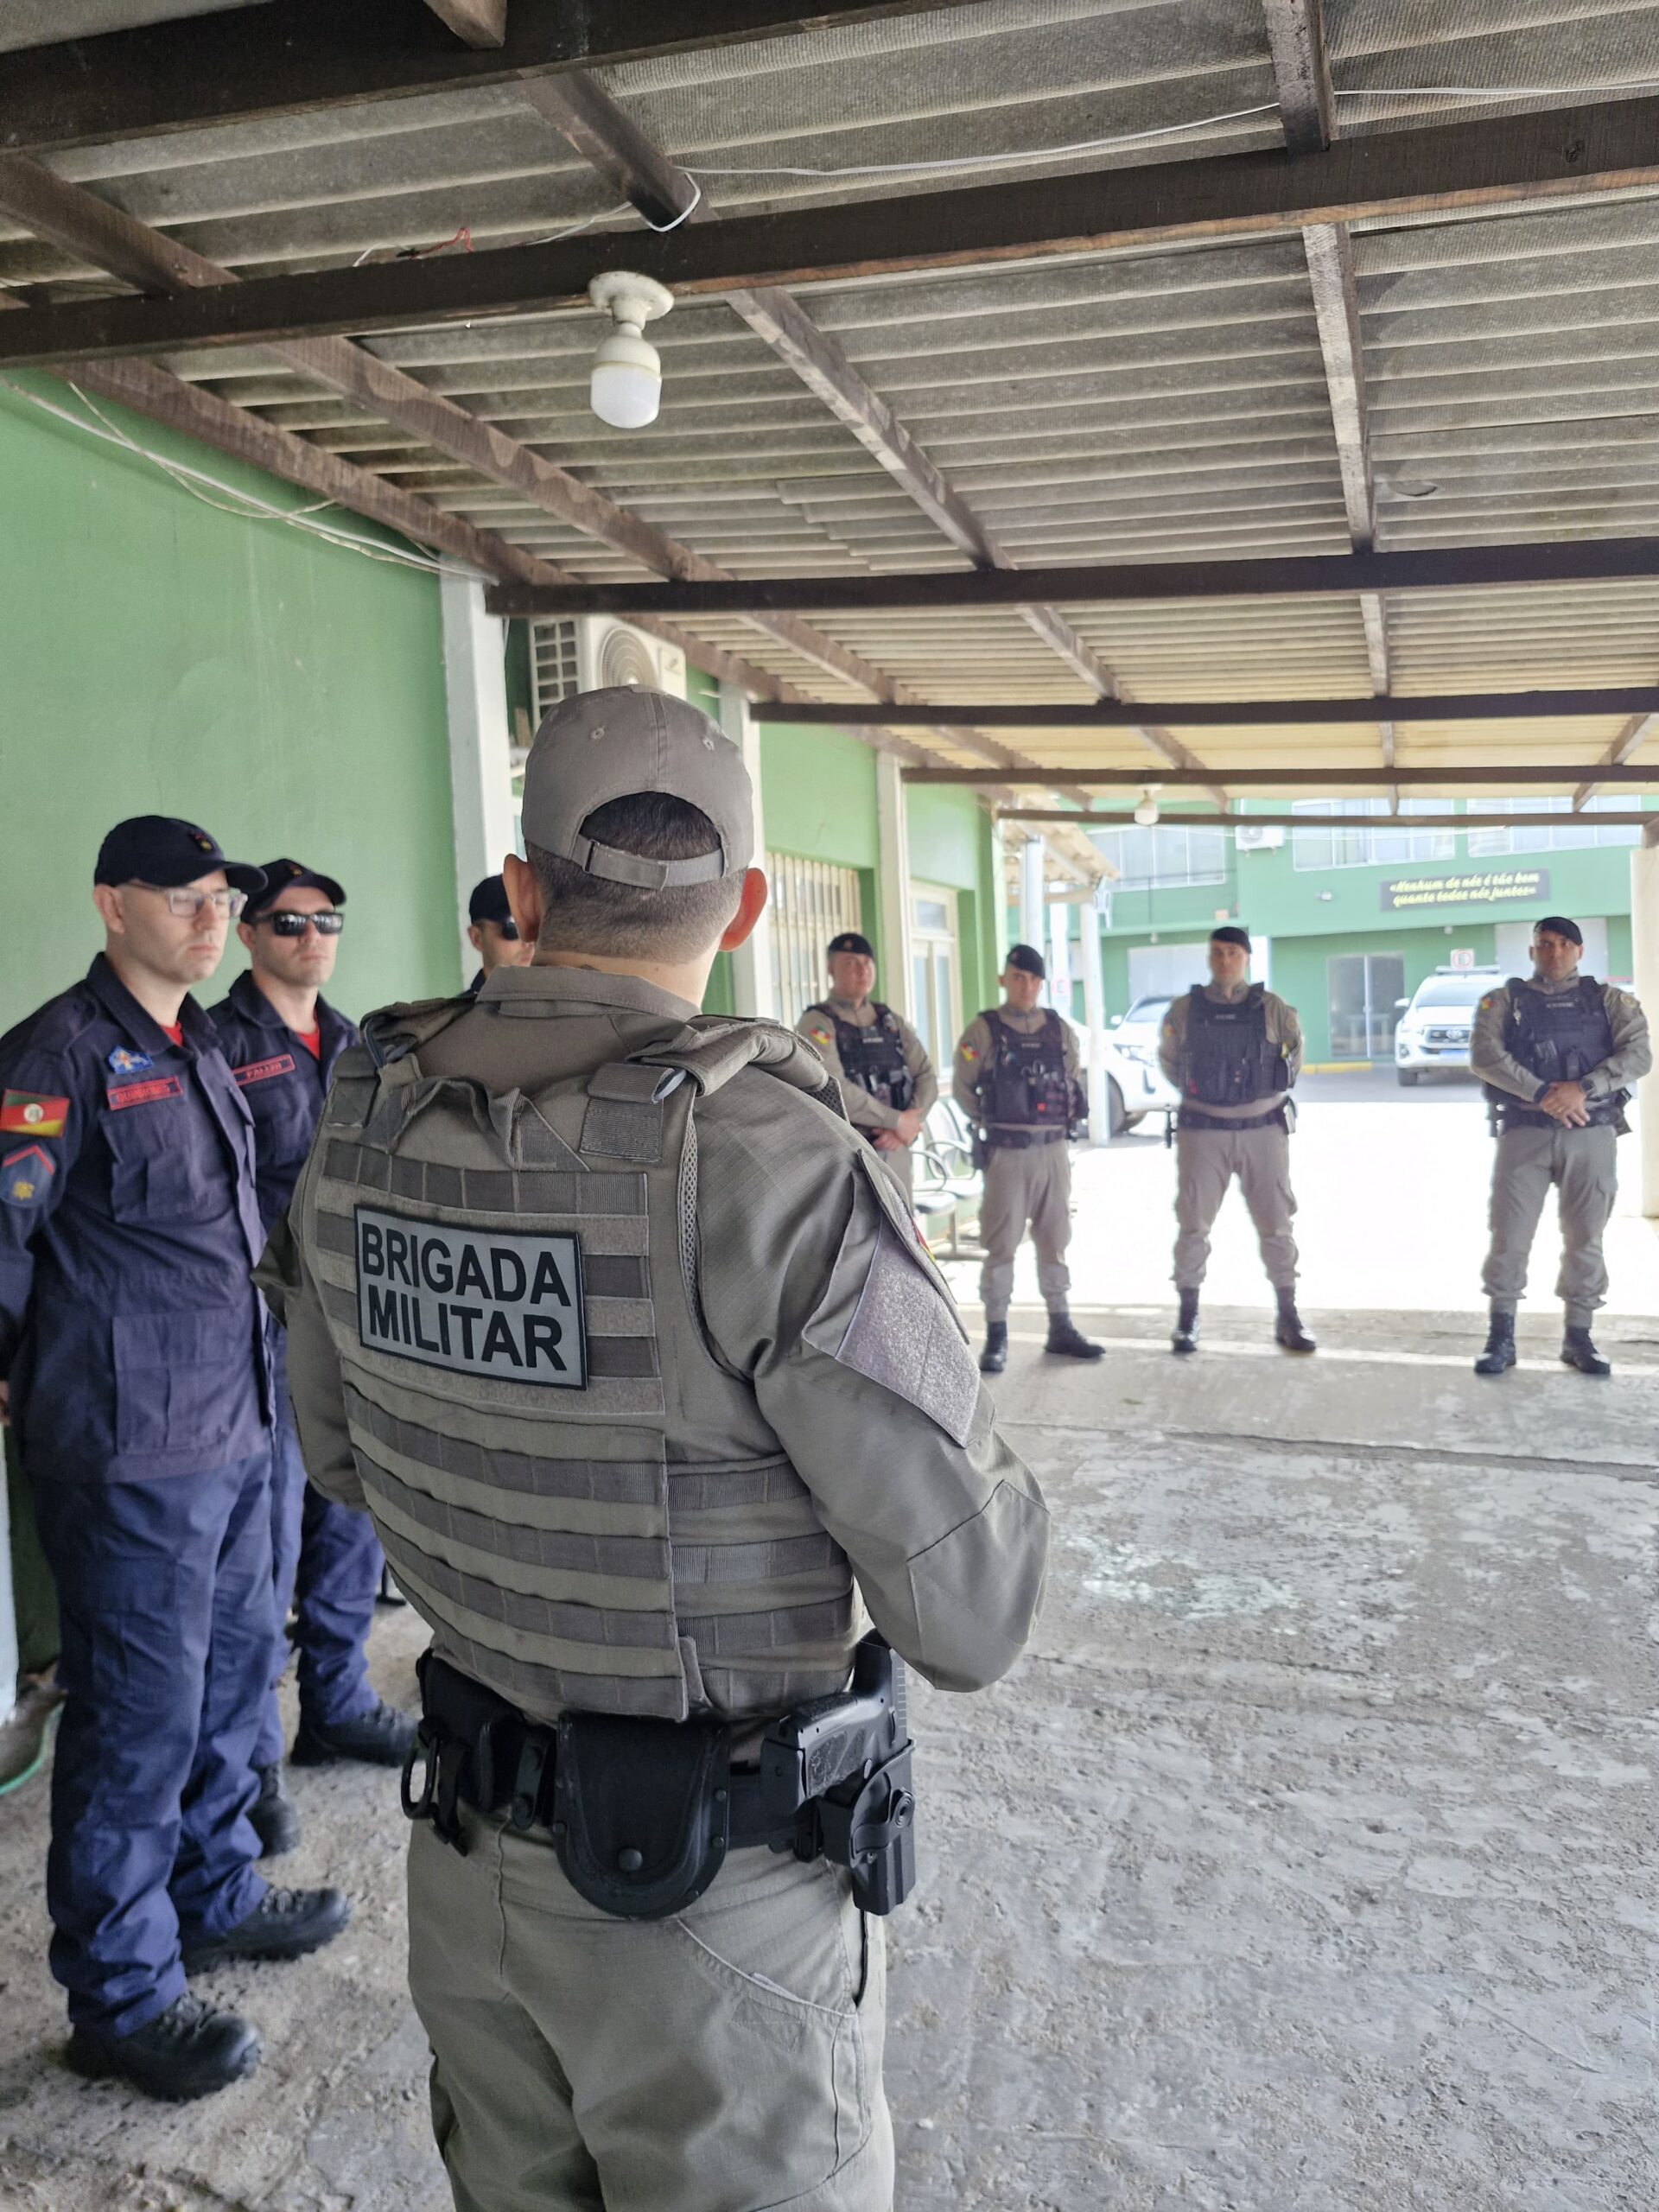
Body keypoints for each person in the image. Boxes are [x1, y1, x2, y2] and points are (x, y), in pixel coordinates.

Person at [257, 688, 1049, 2212]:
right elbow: (975, 1612)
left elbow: (341, 1459)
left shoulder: (365, 1119)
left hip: (472, 1880)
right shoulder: (766, 1159)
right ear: (746, 906)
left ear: (528, 891)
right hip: (714, 1922)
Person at [0, 818, 349, 2104]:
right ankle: (122, 1994)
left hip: (238, 1421)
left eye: (221, 899)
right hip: (131, 1445)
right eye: (184, 898)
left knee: (237, 1677)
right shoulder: (57, 1057)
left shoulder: (201, 1041)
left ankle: (210, 1892)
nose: (213, 919)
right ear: (110, 904)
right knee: (137, 1721)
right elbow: (4, 1241)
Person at [210, 860, 414, 1863]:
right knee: (261, 1562)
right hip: (257, 1332)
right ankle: (246, 1782)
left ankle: (334, 1703)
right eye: (289, 921)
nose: (311, 936)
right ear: (249, 934)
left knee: (351, 1519)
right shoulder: (214, 1043)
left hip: (352, 1323)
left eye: (327, 918)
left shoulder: (356, 1043)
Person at [1470, 916, 1650, 1377]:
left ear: (1579, 951)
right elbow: (1486, 1057)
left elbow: (1638, 1055)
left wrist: (1583, 1088)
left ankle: (1579, 1335)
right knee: (1509, 1236)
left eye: (1564, 945)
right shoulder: (1502, 1002)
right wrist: (1543, 1094)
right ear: (1531, 952)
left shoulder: (1610, 1001)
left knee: (1585, 1237)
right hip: (1525, 1132)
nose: (1554, 952)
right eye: (1544, 944)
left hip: (1591, 1131)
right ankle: (1502, 1337)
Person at [1158, 925, 1315, 1356]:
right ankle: (1187, 1319)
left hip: (1262, 1131)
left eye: (1232, 952)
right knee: (1193, 1225)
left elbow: (1293, 1059)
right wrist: (1211, 1096)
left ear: (1245, 957)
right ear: (1209, 959)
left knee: (1277, 1224)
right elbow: (1171, 1064)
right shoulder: (1184, 1010)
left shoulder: (1274, 1009)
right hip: (1203, 1132)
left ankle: (1289, 1314)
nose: (1223, 960)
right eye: (1216, 953)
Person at [953, 944, 1103, 1375]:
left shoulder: (1058, 1029)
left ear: (1041, 984)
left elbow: (1071, 1074)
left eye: (1034, 980)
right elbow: (965, 1086)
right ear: (1004, 979)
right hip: (1008, 1154)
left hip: (1054, 1151)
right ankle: (997, 1335)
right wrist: (993, 1121)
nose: (1026, 986)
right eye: (1018, 977)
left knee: (1055, 1241)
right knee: (1001, 1245)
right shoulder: (983, 1030)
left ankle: (1060, 1326)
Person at [797, 931, 937, 1198]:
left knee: (901, 1233)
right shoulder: (818, 1023)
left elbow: (926, 1075)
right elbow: (832, 1085)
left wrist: (908, 1125)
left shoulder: (890, 1021)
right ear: (830, 968)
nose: (862, 970)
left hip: (896, 1150)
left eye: (867, 963)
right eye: (850, 963)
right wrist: (895, 1120)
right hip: (849, 1154)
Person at [464, 871, 533, 995]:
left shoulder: (562, 1007)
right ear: (477, 938)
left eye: (534, 924)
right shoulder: (460, 1014)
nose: (529, 940)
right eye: (513, 927)